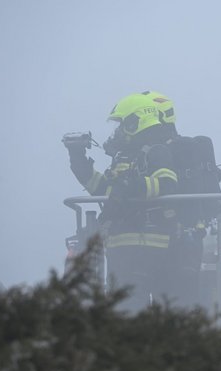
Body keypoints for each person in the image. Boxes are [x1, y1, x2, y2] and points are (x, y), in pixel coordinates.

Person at [65, 91, 178, 312]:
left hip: (147, 241)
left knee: (130, 305)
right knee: (121, 305)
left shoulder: (157, 151)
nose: (118, 131)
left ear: (136, 122)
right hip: (121, 242)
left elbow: (167, 183)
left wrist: (131, 186)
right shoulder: (123, 157)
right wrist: (77, 158)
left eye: (122, 124)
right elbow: (103, 189)